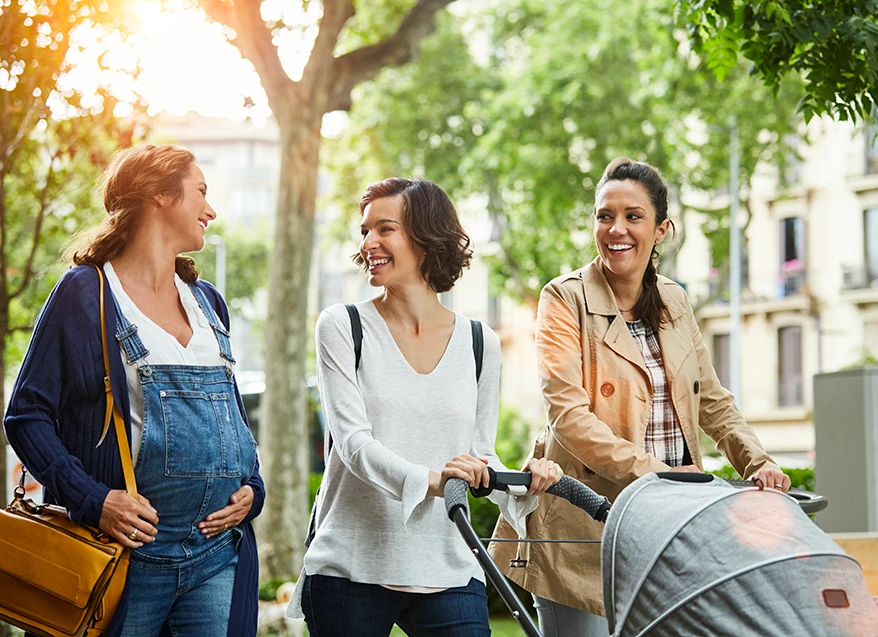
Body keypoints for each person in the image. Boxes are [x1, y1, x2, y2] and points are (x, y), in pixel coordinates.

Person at [489, 157, 790, 635]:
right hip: (583, 526)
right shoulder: (564, 298)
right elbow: (569, 417)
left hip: (668, 529)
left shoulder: (674, 299)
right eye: (604, 216)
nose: (616, 229)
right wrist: (662, 478)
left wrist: (758, 462)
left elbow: (710, 398)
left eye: (633, 216)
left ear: (661, 229)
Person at [4, 144, 265, 637]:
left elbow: (231, 417)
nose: (211, 210)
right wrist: (92, 499)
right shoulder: (87, 293)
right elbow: (26, 414)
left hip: (216, 554)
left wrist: (254, 487)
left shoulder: (208, 301)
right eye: (201, 193)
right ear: (159, 196)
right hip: (126, 559)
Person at [286, 177, 563, 637]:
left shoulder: (479, 343)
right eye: (365, 231)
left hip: (447, 564)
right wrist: (435, 481)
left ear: (426, 237)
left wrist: (523, 482)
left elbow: (479, 456)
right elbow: (353, 445)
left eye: (385, 229)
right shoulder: (344, 326)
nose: (368, 243)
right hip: (352, 564)